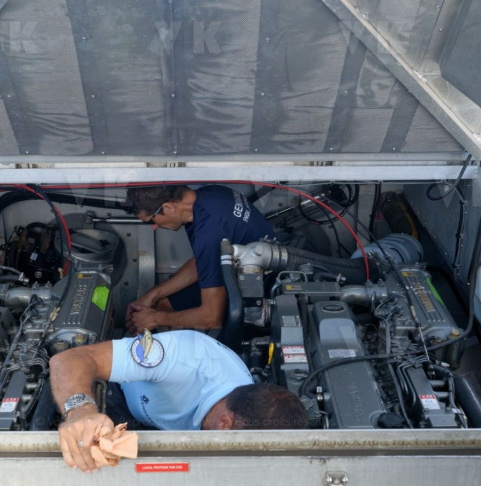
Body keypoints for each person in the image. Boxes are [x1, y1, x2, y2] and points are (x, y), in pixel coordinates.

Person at [50, 330, 307, 472]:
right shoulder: (179, 358)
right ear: (226, 424)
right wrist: (81, 411)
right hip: (122, 401)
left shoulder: (250, 410)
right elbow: (68, 361)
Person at [125, 184, 275, 334]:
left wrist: (155, 319)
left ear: (169, 207)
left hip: (261, 295)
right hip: (249, 271)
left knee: (159, 319)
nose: (154, 227)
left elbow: (211, 317)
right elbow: (204, 261)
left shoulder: (208, 232)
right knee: (158, 304)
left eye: (152, 221)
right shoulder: (211, 194)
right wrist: (151, 296)